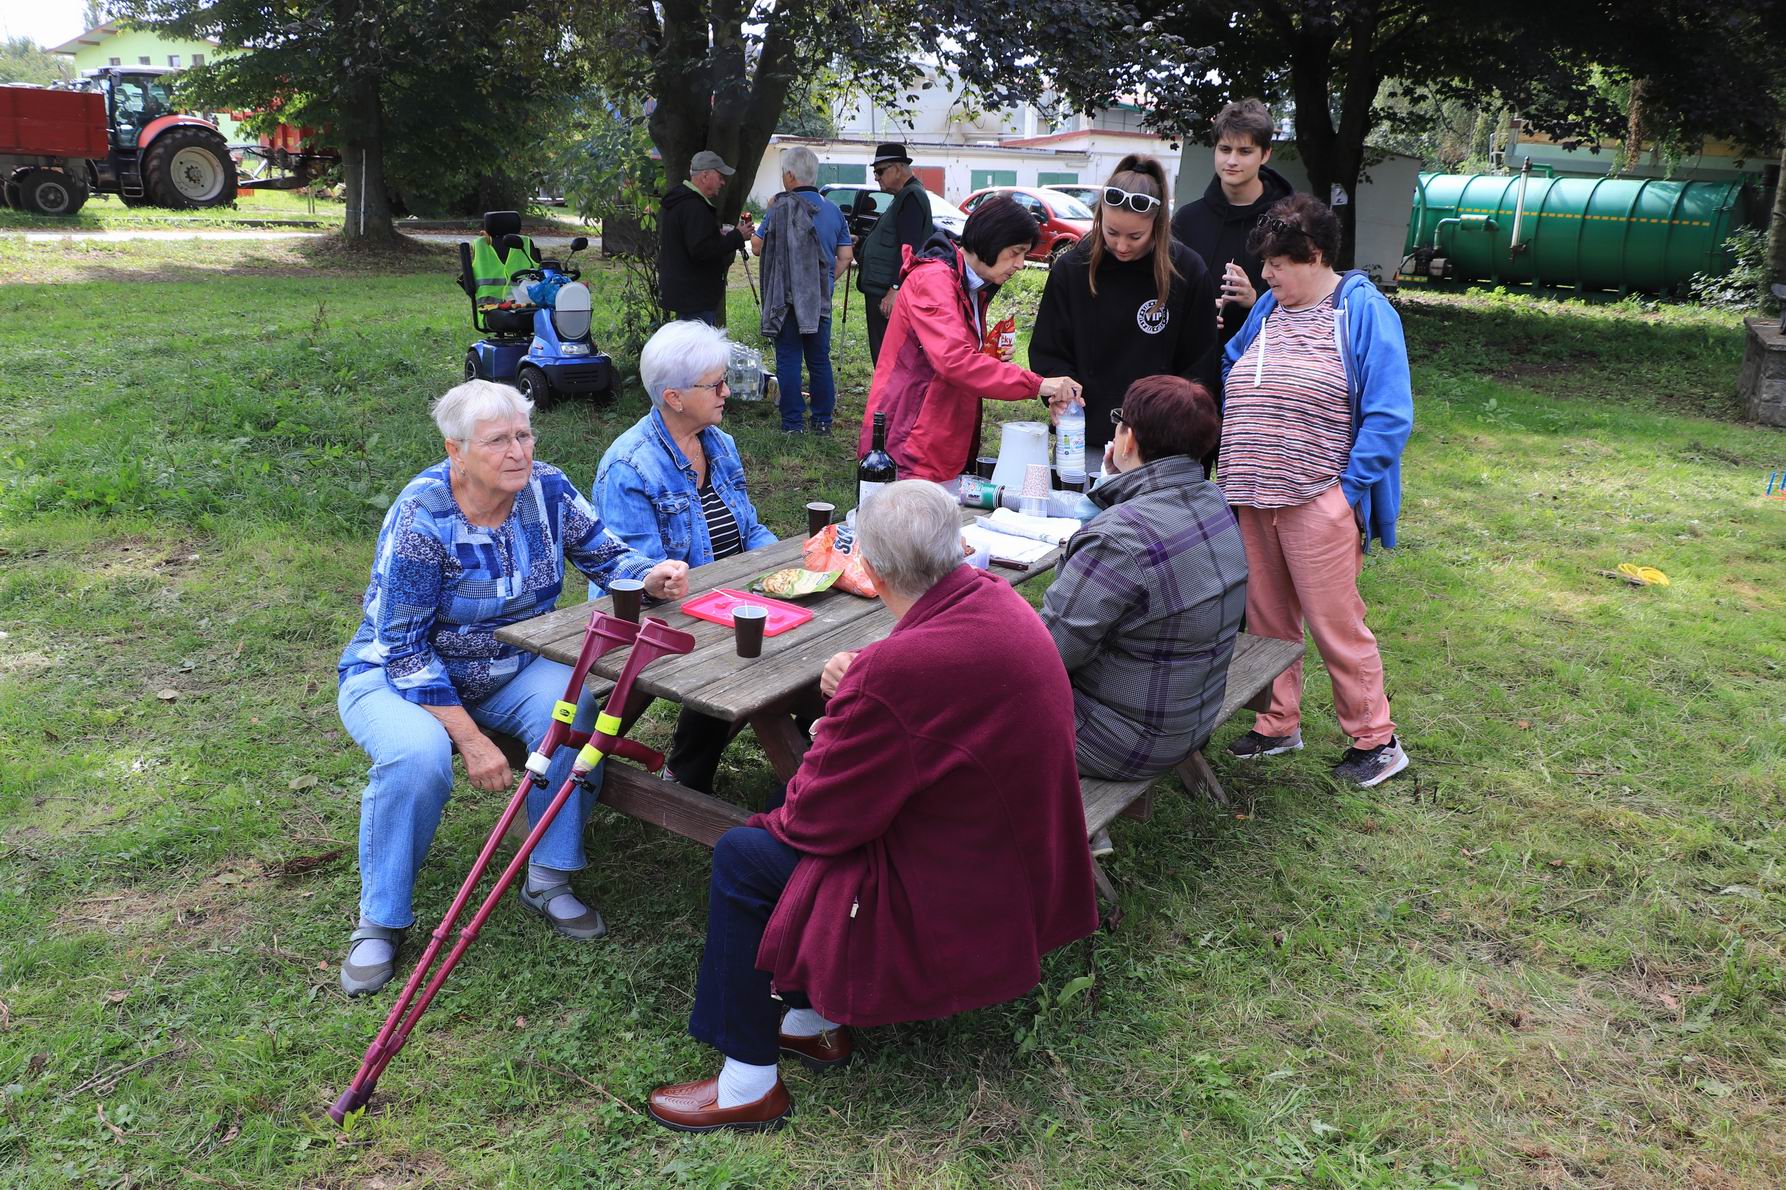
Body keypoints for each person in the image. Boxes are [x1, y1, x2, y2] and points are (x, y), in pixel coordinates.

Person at [644, 480, 1098, 1133]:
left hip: (960, 890)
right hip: (1011, 855)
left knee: (747, 855)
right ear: (960, 547)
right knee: (780, 802)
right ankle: (811, 1023)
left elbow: (816, 821)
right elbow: (923, 696)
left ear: (873, 571)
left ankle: (747, 1084)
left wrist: (844, 709)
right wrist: (867, 676)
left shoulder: (897, 673)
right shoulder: (998, 603)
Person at [336, 381, 690, 997]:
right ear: (457, 451)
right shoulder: (424, 516)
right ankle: (381, 919)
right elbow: (403, 646)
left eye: (523, 434)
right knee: (418, 759)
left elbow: (605, 556)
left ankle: (548, 877)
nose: (518, 451)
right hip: (395, 674)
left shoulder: (546, 488)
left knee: (575, 711)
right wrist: (471, 741)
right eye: (498, 440)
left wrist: (648, 574)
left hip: (511, 664)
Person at [1218, 194, 1412, 787]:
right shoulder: (1270, 310)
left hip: (1316, 498)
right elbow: (1233, 363)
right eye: (1266, 264)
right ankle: (1279, 722)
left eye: (1278, 263)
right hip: (1250, 494)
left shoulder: (1362, 312)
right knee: (1267, 618)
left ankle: (1376, 740)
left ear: (1317, 255)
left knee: (1336, 623)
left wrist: (1346, 493)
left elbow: (1389, 415)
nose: (1267, 275)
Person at [590, 321, 777, 793]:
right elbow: (636, 574)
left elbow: (748, 528)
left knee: (808, 633)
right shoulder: (629, 466)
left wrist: (785, 567)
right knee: (747, 651)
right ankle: (687, 779)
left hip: (725, 599)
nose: (727, 391)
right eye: (715, 384)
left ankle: (809, 747)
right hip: (659, 618)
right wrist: (676, 585)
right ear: (674, 397)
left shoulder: (719, 444)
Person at [1042, 375, 1247, 785]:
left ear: (1128, 439)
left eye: (1119, 420)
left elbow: (1045, 655)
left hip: (1119, 741)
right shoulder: (1211, 498)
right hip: (1187, 719)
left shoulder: (1117, 540)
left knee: (957, 689)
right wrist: (1119, 485)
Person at [859, 196, 1084, 483]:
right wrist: (1038, 384)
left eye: (1024, 254)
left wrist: (988, 359)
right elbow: (954, 361)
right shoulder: (934, 280)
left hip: (936, 437)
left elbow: (945, 358)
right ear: (991, 239)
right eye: (1015, 252)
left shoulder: (971, 285)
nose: (1020, 264)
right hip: (909, 443)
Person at [1029, 155, 1221, 464]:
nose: (1121, 246)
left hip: (1160, 445)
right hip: (1084, 435)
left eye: (1135, 237)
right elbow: (1050, 350)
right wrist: (1060, 392)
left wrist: (1172, 422)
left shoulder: (1186, 271)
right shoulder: (1073, 267)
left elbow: (1199, 367)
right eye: (1111, 232)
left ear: (1157, 226)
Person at [1170, 98, 1295, 354]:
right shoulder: (1187, 219)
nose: (1232, 161)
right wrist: (1194, 314)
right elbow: (1162, 292)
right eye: (1225, 149)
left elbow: (1308, 302)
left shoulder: (1290, 221)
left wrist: (1255, 300)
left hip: (1262, 363)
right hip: (1192, 367)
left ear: (1266, 154)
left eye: (1245, 151)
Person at [750, 146, 854, 434]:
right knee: (819, 359)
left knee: (789, 359)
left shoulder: (780, 207)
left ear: (791, 175)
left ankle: (792, 423)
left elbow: (757, 247)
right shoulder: (834, 211)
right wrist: (826, 281)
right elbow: (845, 256)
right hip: (818, 298)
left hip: (784, 297)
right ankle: (822, 421)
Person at [854, 143, 934, 364]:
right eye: (875, 172)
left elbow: (910, 248)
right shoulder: (903, 196)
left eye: (880, 171)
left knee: (886, 357)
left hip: (886, 292)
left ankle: (888, 399)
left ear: (898, 168)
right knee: (884, 354)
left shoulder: (911, 198)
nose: (876, 177)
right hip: (881, 289)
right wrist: (860, 242)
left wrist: (895, 288)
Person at [658, 150, 755, 325]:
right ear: (704, 176)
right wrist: (736, 236)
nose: (723, 182)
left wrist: (716, 236)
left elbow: (693, 242)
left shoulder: (681, 201)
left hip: (686, 294)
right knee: (696, 349)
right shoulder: (693, 206)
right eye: (720, 176)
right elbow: (702, 250)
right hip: (694, 297)